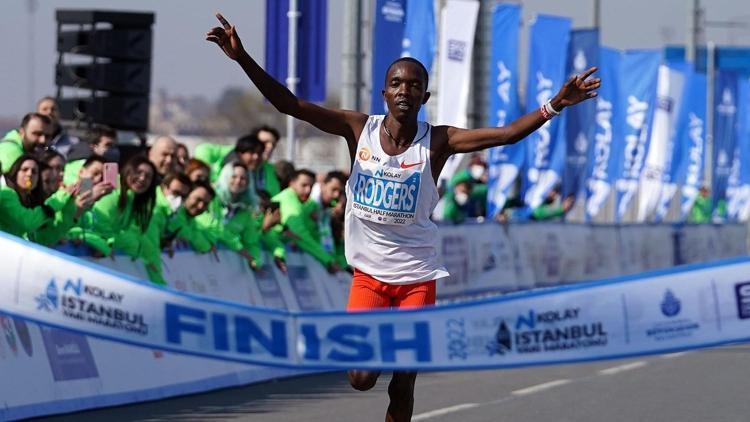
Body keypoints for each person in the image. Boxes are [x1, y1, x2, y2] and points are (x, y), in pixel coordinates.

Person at [207, 13, 599, 421]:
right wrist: (242, 58)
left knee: (403, 381)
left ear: (425, 97)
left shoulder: (440, 140)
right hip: (369, 276)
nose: (404, 90)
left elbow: (505, 134)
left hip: (416, 277)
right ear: (384, 93)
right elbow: (289, 104)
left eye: (414, 85)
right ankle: (381, 343)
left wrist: (555, 103)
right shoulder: (357, 129)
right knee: (360, 377)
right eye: (396, 83)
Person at [272, 169, 339, 272]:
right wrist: (327, 260)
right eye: (303, 185)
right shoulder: (290, 202)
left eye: (311, 187)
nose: (307, 190)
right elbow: (299, 235)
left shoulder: (303, 205)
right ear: (292, 183)